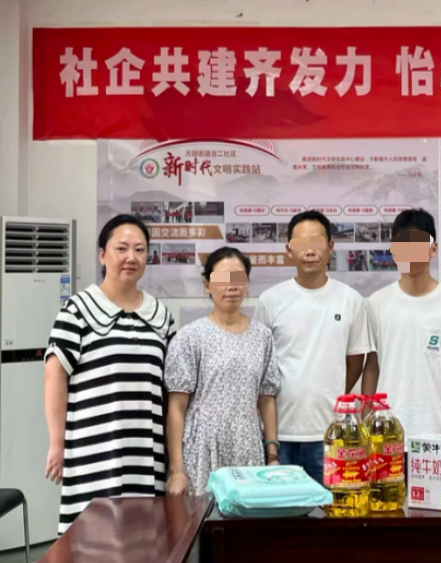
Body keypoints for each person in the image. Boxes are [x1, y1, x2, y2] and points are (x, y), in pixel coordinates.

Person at [43, 214, 175, 535]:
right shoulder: (78, 310)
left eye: (140, 250)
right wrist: (57, 443)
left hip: (146, 452)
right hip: (93, 449)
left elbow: (172, 391)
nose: (131, 257)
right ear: (102, 255)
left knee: (144, 539)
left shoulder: (161, 316)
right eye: (122, 248)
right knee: (92, 537)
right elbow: (54, 375)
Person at [253, 210, 370, 484]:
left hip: (330, 434)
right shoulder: (270, 301)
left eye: (317, 242)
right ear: (289, 250)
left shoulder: (351, 300)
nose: (310, 251)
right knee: (280, 510)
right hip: (279, 436)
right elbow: (259, 367)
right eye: (301, 244)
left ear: (330, 247)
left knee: (331, 508)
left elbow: (355, 362)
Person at [164, 247, 280, 496]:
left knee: (246, 516)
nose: (231, 286)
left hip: (247, 448)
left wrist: (272, 455)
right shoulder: (190, 337)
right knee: (202, 518)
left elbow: (266, 398)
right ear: (207, 285)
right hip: (203, 449)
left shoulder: (262, 337)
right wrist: (177, 470)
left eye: (238, 278)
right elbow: (176, 407)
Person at [362, 209, 441, 438]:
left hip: (435, 431)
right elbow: (371, 367)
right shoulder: (377, 302)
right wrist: (366, 424)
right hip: (385, 431)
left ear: (433, 249)